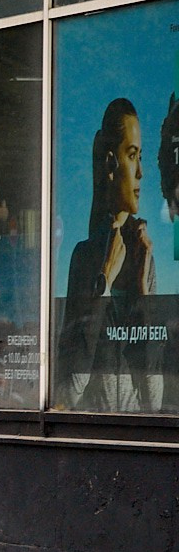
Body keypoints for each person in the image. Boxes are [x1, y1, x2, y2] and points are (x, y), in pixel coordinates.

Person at [63, 100, 158, 410]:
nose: (141, 172)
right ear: (110, 164)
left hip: (138, 438)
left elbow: (154, 399)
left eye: (141, 157)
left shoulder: (144, 257)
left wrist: (142, 294)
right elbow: (70, 391)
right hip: (93, 437)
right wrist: (102, 282)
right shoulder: (85, 257)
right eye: (132, 156)